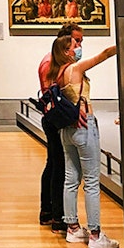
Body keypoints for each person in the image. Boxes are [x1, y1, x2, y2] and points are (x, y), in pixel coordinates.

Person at [47, 34, 119, 248]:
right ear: (66, 51)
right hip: (84, 126)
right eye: (75, 45)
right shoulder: (74, 69)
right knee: (91, 182)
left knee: (71, 180)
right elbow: (103, 55)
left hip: (66, 131)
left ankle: (73, 228)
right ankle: (96, 234)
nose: (79, 47)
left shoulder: (56, 73)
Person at [37, 24, 83, 233]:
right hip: (56, 119)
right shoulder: (51, 63)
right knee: (59, 167)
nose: (79, 46)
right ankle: (57, 217)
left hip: (54, 118)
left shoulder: (57, 62)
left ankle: (49, 212)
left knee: (54, 164)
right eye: (76, 42)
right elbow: (55, 95)